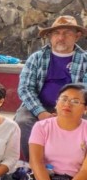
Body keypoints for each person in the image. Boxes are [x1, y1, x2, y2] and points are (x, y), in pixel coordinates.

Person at [15, 16, 87, 160]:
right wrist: (41, 112)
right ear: (50, 36)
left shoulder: (85, 60)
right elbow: (25, 89)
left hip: (74, 106)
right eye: (56, 33)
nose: (61, 37)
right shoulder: (37, 58)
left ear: (77, 36)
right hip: (39, 106)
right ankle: (34, 164)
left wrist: (66, 111)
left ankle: (78, 167)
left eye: (67, 33)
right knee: (23, 121)